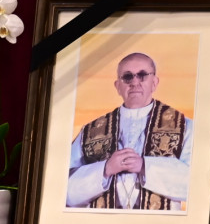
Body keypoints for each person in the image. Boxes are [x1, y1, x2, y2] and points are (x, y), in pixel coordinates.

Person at [66, 52, 194, 209]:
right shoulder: (90, 131)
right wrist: (105, 170)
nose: (134, 82)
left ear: (154, 82)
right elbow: (64, 191)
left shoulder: (184, 127)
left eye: (142, 75)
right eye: (127, 77)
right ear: (117, 86)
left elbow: (196, 185)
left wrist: (145, 167)